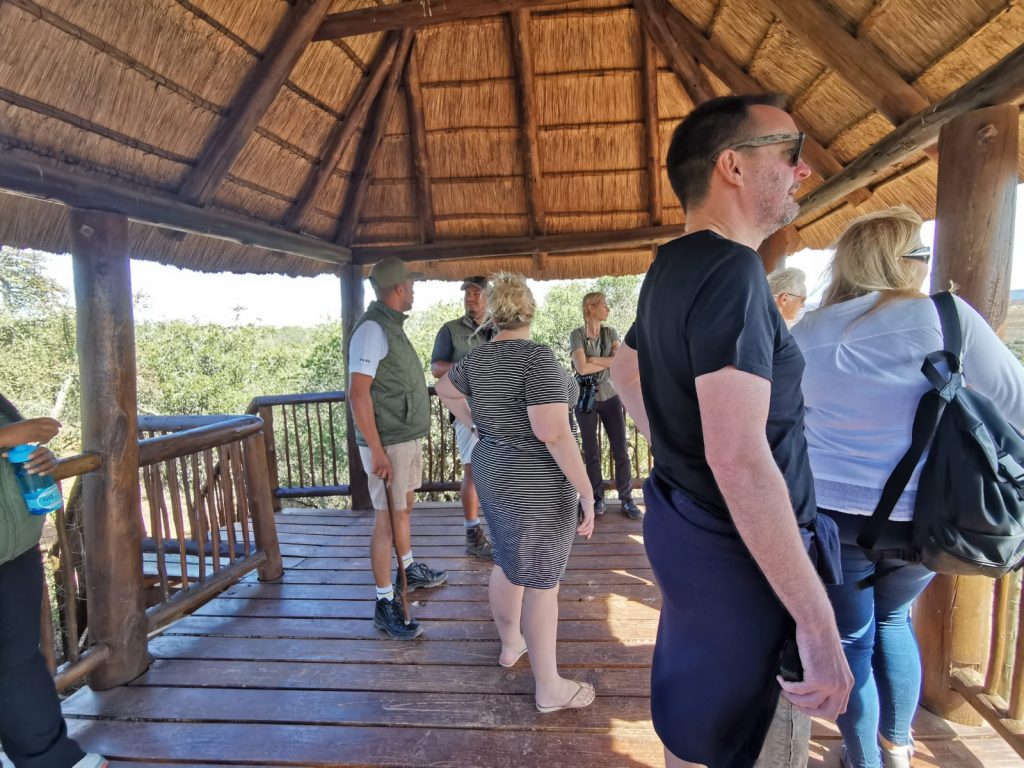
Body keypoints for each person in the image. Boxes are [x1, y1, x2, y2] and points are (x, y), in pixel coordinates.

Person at [610, 94, 852, 767]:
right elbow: (740, 458)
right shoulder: (734, 270)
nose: (803, 170)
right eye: (789, 152)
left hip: (695, 542)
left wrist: (680, 456)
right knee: (749, 741)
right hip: (748, 574)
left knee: (699, 726)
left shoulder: (672, 266)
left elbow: (626, 371)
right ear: (733, 167)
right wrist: (817, 623)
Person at [790, 207, 1024, 768]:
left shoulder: (808, 333)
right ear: (904, 263)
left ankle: (864, 759)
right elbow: (1014, 405)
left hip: (835, 522)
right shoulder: (949, 319)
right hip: (932, 519)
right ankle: (897, 746)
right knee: (893, 620)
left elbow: (786, 426)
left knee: (852, 640)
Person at [435, 273, 597, 713]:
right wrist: (587, 492)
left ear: (492, 313)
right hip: (538, 482)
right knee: (543, 582)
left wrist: (473, 421)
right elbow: (553, 434)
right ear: (529, 310)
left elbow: (443, 388)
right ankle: (549, 687)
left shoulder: (478, 359)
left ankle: (511, 645)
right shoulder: (538, 359)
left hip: (494, 472)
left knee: (508, 559)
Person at [0, 396, 107, 768]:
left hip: (14, 552)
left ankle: (48, 758)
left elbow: (15, 458)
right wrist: (8, 435)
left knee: (19, 661)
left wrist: (43, 460)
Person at [348, 257, 447, 641]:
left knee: (403, 507)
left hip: (402, 436)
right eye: (411, 283)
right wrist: (376, 451)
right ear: (399, 288)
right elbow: (358, 394)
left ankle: (407, 569)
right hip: (387, 441)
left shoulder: (389, 326)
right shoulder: (372, 329)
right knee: (385, 520)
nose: (414, 288)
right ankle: (384, 602)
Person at [431, 276, 496, 559]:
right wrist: (471, 365)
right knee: (473, 470)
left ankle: (502, 528)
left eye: (476, 293)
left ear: (488, 297)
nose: (470, 298)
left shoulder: (500, 327)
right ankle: (473, 532)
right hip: (466, 410)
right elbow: (436, 368)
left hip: (501, 409)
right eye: (467, 294)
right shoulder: (450, 330)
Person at [569, 292, 641, 520]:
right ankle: (597, 498)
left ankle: (627, 499)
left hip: (610, 397)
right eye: (604, 305)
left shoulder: (611, 333)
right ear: (590, 308)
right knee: (591, 452)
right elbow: (580, 368)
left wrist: (592, 360)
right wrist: (602, 362)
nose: (608, 309)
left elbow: (618, 362)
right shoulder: (576, 335)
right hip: (585, 400)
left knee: (620, 449)